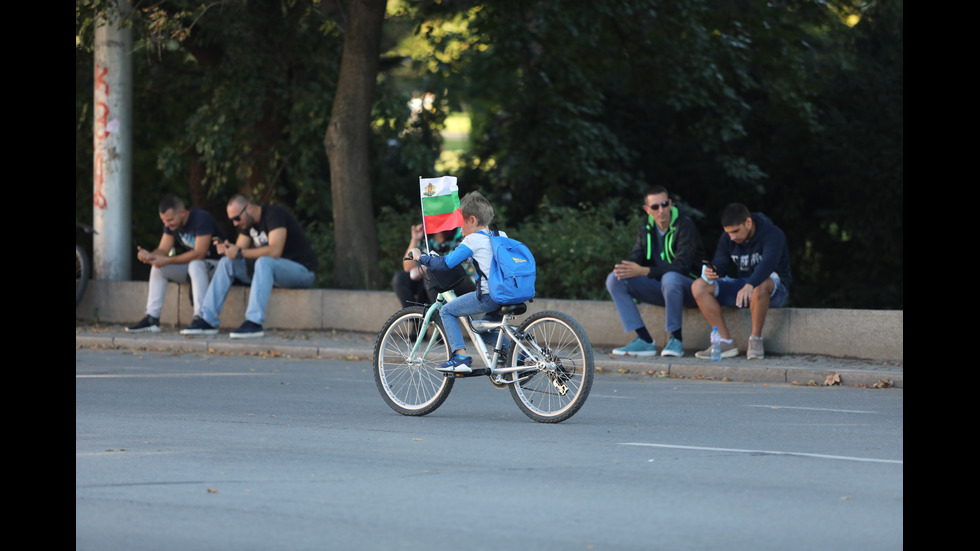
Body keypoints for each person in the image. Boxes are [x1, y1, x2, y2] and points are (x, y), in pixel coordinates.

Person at [180, 194, 318, 338]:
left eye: (236, 218)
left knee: (264, 261)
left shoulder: (274, 214)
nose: (235, 223)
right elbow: (238, 252)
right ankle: (207, 319)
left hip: (301, 272)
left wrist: (239, 252)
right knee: (227, 262)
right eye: (232, 220)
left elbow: (275, 251)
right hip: (272, 274)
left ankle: (254, 322)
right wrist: (228, 250)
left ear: (249, 208)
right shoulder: (248, 224)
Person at [408, 191, 505, 373]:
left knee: (447, 310)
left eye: (462, 224)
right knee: (484, 333)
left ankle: (459, 358)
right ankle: (521, 356)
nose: (460, 230)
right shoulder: (499, 235)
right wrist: (472, 259)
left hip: (489, 296)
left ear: (473, 220)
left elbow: (446, 264)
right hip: (508, 293)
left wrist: (422, 258)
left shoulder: (472, 240)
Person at [605, 186, 704, 357]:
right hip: (661, 289)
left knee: (671, 278)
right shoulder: (646, 226)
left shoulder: (685, 224)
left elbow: (683, 265)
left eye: (665, 204)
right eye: (655, 207)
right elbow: (637, 254)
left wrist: (644, 271)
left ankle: (676, 339)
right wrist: (627, 268)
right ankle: (644, 340)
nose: (661, 210)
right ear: (647, 210)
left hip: (690, 289)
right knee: (614, 279)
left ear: (670, 203)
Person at [692, 203, 792, 360]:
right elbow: (721, 262)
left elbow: (768, 263)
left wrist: (750, 285)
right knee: (699, 286)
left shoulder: (773, 234)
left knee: (760, 284)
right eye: (728, 233)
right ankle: (725, 342)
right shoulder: (728, 238)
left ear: (748, 222)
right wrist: (713, 271)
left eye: (735, 231)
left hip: (774, 289)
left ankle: (755, 339)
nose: (732, 237)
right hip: (745, 286)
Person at [126, 194, 226, 333]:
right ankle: (152, 319)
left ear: (183, 212)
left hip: (218, 267)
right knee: (158, 268)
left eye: (170, 220)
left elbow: (199, 253)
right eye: (164, 221)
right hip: (195, 270)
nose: (167, 225)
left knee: (195, 264)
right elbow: (163, 249)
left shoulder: (201, 218)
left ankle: (202, 318)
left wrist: (167, 259)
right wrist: (150, 256)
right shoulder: (171, 225)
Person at [392, 225, 475, 308]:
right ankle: (413, 316)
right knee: (401, 278)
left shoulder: (460, 233)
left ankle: (438, 317)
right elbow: (408, 268)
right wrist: (415, 239)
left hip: (462, 280)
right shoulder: (425, 238)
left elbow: (458, 266)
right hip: (431, 281)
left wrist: (427, 267)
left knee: (430, 275)